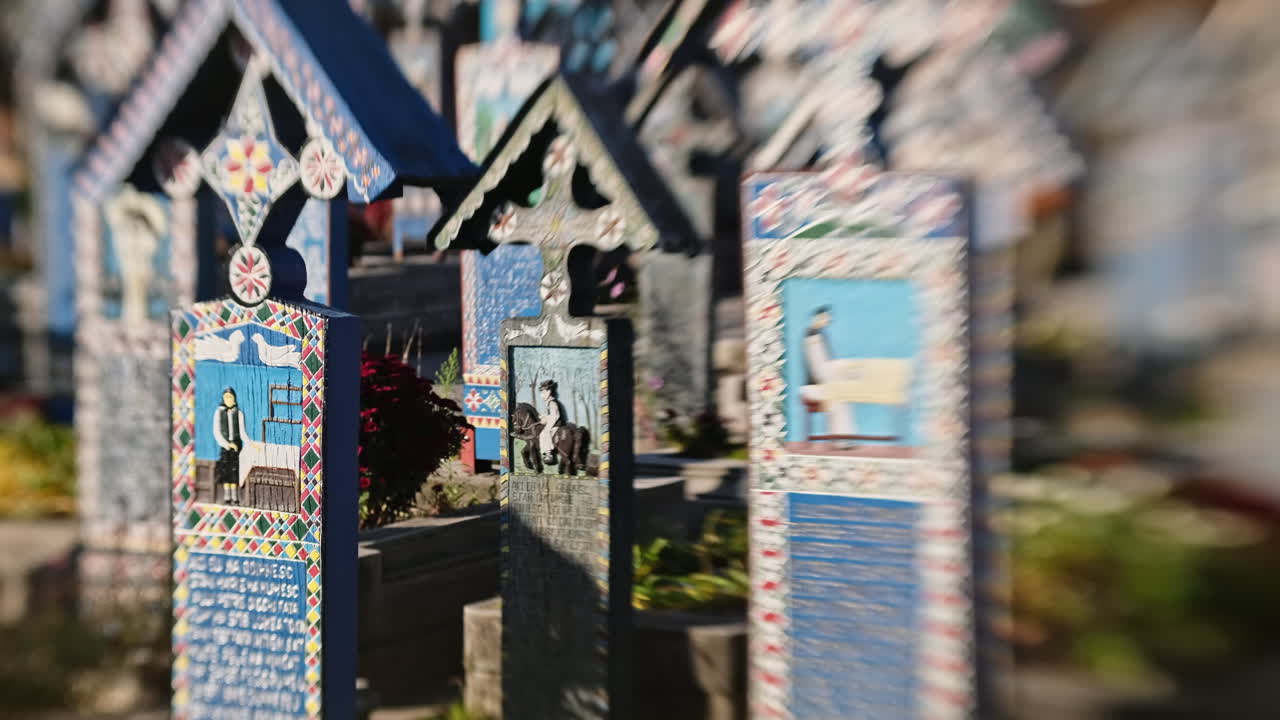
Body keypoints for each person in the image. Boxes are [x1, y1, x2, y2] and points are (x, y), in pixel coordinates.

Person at [800, 306, 857, 437]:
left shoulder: (818, 334)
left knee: (841, 397)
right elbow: (818, 368)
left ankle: (842, 438)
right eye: (826, 317)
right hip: (813, 387)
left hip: (820, 384)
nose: (828, 320)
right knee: (840, 399)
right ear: (818, 316)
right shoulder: (812, 336)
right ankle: (841, 439)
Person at [213, 387, 250, 504]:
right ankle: (227, 496)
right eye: (226, 397)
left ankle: (235, 497)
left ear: (234, 399)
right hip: (225, 447)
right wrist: (227, 444)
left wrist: (249, 443)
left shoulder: (238, 413)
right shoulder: (219, 412)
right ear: (223, 399)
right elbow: (217, 431)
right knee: (225, 471)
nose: (228, 399)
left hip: (236, 447)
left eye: (230, 397)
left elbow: (242, 432)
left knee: (234, 471)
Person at [538, 379, 565, 466]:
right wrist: (543, 418)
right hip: (553, 423)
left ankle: (549, 454)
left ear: (549, 392)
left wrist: (547, 425)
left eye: (543, 392)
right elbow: (549, 415)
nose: (541, 395)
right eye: (541, 392)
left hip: (556, 424)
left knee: (544, 434)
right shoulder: (549, 403)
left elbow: (555, 416)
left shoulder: (552, 403)